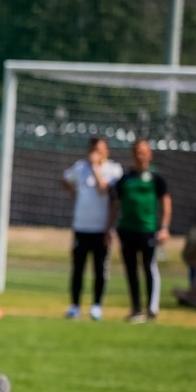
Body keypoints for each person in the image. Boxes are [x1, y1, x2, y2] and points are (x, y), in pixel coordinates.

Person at [109, 139, 171, 323]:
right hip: (127, 230)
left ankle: (152, 309)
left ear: (150, 154)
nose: (140, 155)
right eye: (137, 151)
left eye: (143, 151)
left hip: (148, 230)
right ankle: (136, 309)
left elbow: (166, 202)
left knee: (149, 267)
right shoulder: (126, 178)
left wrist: (164, 228)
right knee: (131, 269)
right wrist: (109, 227)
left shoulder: (156, 178)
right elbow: (114, 204)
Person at [60, 137, 121, 320]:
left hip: (101, 229)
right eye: (93, 149)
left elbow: (104, 189)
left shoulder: (113, 170)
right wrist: (71, 190)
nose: (95, 152)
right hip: (81, 226)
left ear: (106, 151)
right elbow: (64, 179)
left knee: (100, 268)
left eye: (100, 149)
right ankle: (75, 305)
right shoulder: (80, 167)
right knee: (78, 268)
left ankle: (96, 305)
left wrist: (95, 167)